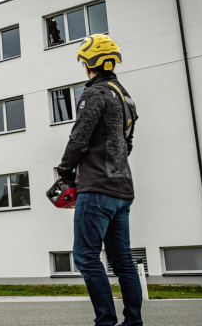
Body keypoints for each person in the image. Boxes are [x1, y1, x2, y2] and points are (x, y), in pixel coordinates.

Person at [56, 34, 141, 326]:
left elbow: (79, 138)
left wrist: (64, 173)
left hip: (97, 188)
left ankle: (105, 321)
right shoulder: (124, 96)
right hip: (122, 189)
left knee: (86, 256)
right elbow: (127, 144)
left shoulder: (95, 93)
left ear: (88, 64)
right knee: (123, 262)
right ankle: (134, 322)